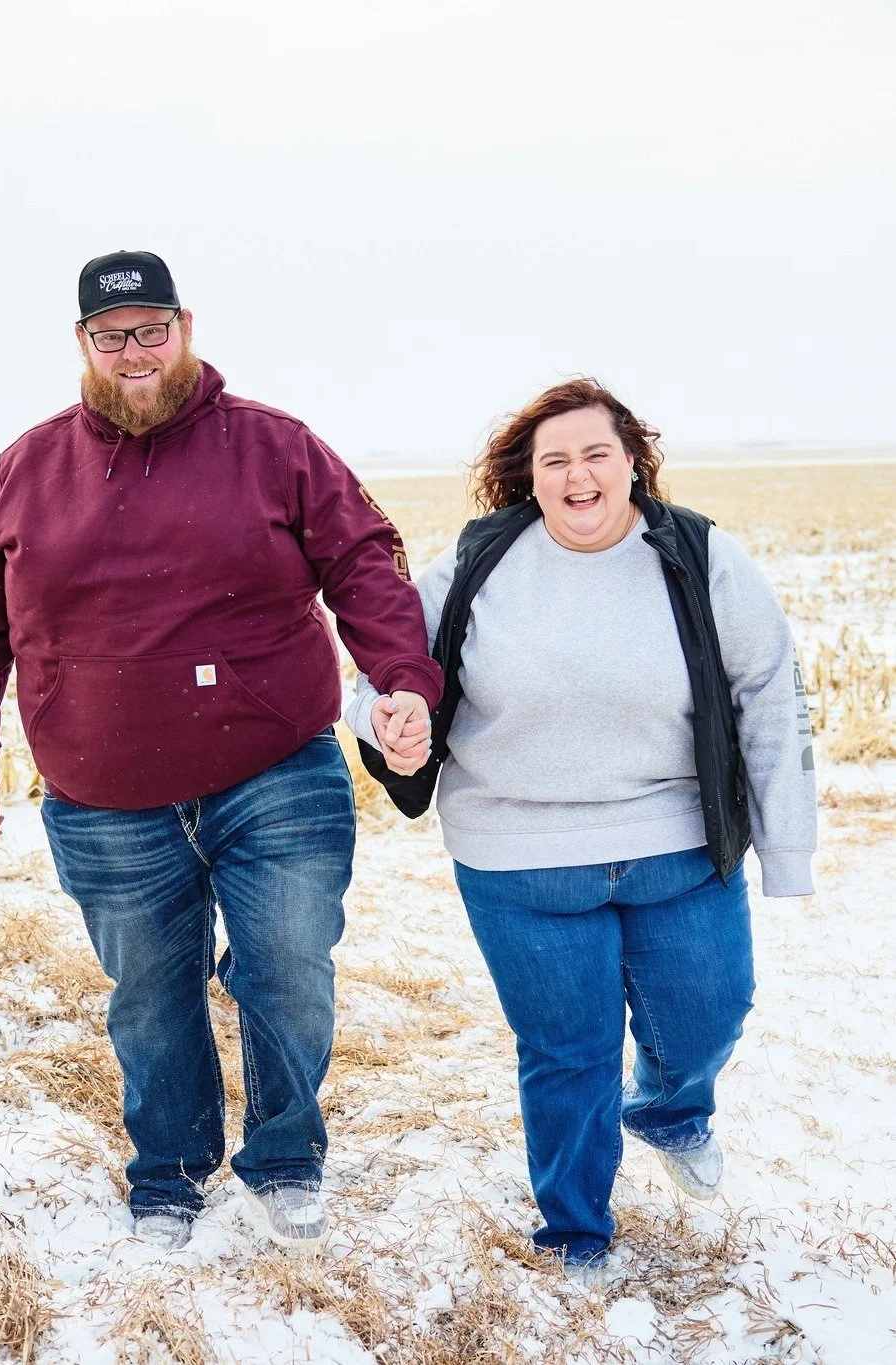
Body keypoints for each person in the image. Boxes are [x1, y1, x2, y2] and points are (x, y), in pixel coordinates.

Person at [0, 249, 441, 1250]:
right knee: (152, 997)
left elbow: (366, 565)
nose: (133, 352)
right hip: (103, 794)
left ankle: (286, 1157)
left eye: (150, 329)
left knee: (288, 967)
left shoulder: (276, 447)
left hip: (275, 771)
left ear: (185, 329)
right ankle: (170, 1168)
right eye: (111, 336)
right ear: (82, 344)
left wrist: (403, 682)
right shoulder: (29, 468)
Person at [347, 378, 817, 1272]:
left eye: (596, 453)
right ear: (528, 478)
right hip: (519, 856)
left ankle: (672, 1109)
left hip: (676, 841)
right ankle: (575, 1231)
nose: (578, 475)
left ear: (633, 460)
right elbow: (386, 667)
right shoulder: (480, 563)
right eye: (553, 460)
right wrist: (388, 718)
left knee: (710, 1015)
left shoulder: (698, 554)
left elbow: (769, 692)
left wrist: (787, 849)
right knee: (569, 1053)